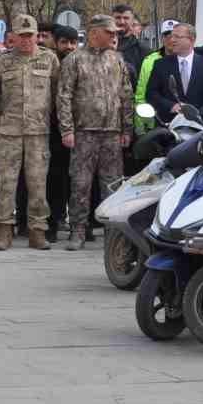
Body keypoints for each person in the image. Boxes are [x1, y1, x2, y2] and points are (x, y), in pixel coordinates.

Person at [57, 15, 132, 250]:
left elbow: (126, 95)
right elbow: (64, 96)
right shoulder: (74, 60)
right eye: (109, 32)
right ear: (93, 32)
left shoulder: (117, 60)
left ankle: (113, 236)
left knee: (112, 186)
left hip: (111, 132)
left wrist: (126, 128)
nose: (114, 36)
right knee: (80, 184)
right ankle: (78, 231)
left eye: (115, 33)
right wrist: (67, 129)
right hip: (83, 132)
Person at [0, 14, 60, 251]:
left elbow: (57, 92)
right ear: (14, 37)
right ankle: (4, 231)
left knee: (38, 184)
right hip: (9, 132)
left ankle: (37, 232)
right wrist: (3, 113)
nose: (26, 40)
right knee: (6, 184)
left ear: (37, 35)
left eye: (30, 35)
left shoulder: (50, 60)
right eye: (21, 35)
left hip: (38, 133)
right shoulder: (2, 62)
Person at [148, 23, 203, 124]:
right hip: (168, 127)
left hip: (200, 127)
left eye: (177, 37)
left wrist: (198, 114)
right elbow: (151, 93)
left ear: (191, 39)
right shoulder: (161, 64)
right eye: (172, 36)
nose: (172, 40)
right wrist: (171, 106)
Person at [47, 23, 80, 234]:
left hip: (79, 129)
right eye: (64, 42)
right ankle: (54, 219)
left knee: (76, 178)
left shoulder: (81, 62)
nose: (68, 46)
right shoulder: (49, 63)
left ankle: (75, 221)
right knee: (55, 177)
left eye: (72, 42)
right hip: (52, 128)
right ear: (55, 43)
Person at [133, 20, 176, 134]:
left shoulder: (187, 60)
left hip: (180, 123)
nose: (171, 39)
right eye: (167, 35)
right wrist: (140, 126)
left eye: (175, 35)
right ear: (162, 38)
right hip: (155, 123)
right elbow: (141, 95)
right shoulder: (150, 61)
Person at [113, 4, 147, 75]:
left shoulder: (143, 51)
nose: (122, 22)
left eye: (126, 18)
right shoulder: (101, 47)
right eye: (118, 17)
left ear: (132, 21)